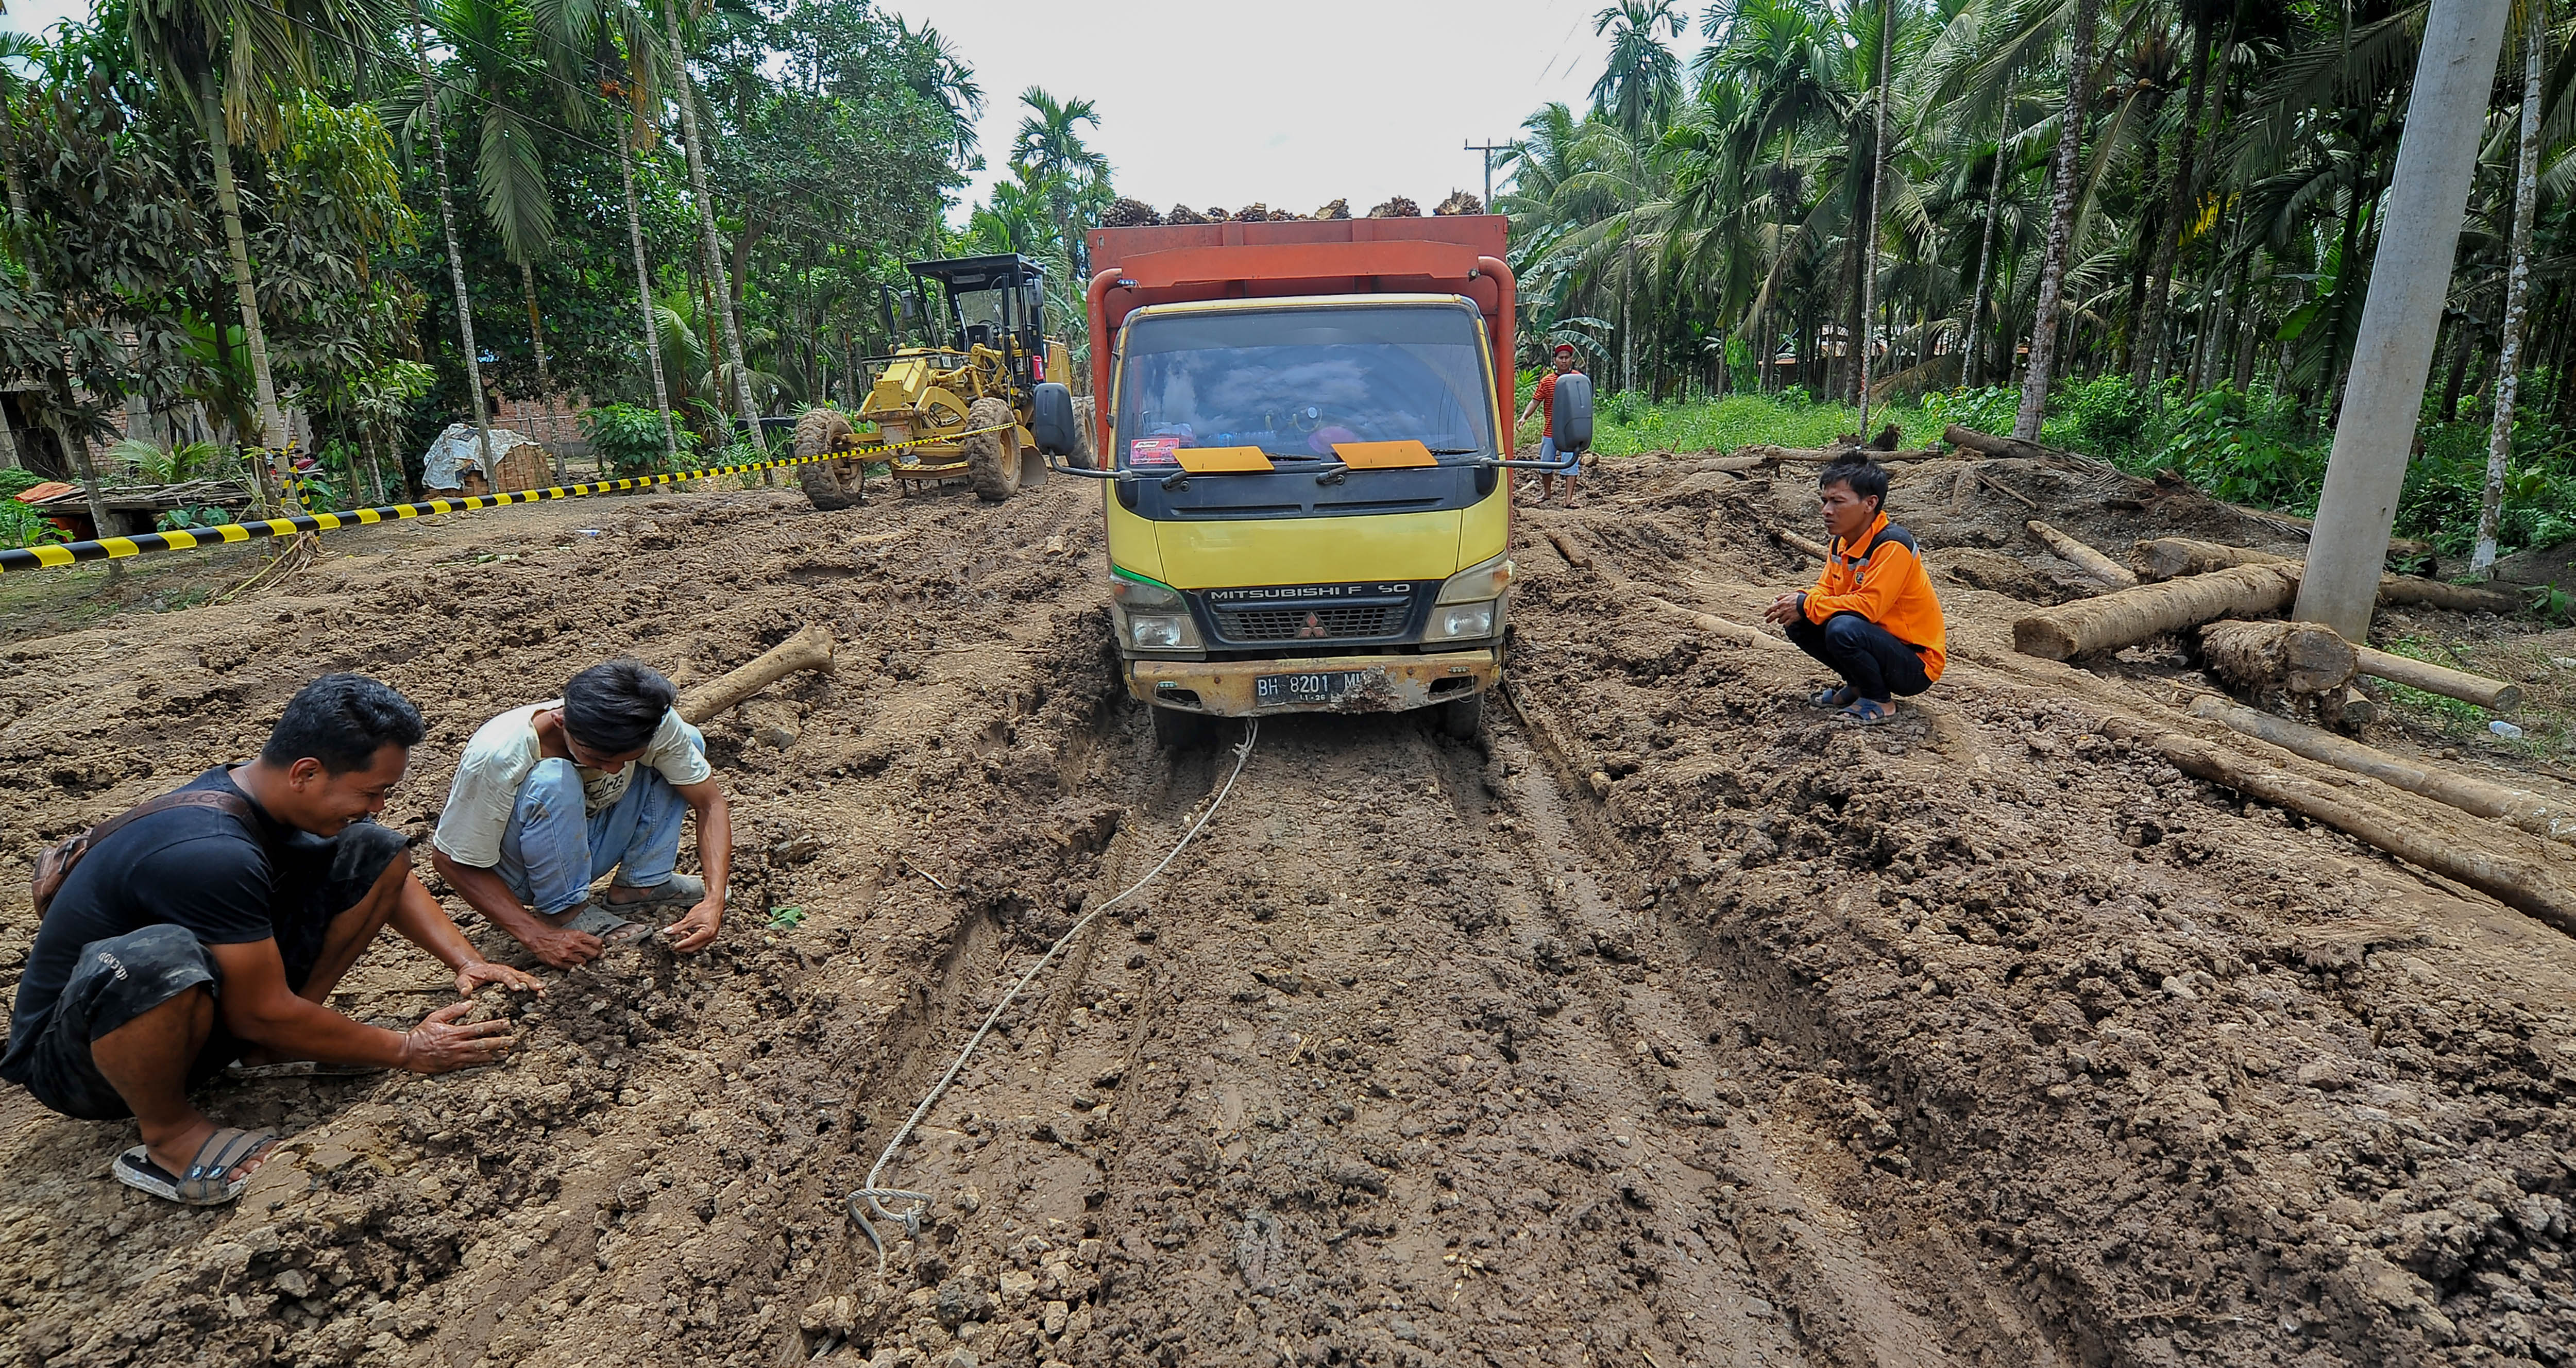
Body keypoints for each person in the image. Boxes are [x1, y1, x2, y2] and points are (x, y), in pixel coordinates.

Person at [1, 674, 537, 1206]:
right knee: (158, 958)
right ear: (307, 772)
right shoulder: (211, 850)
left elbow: (382, 871)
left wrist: (466, 961)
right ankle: (168, 1136)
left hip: (186, 1016)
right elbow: (259, 1010)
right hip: (76, 1062)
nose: (377, 804)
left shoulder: (260, 793)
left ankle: (273, 1047)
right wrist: (407, 1049)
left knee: (371, 847)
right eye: (370, 791)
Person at [430, 660, 731, 968]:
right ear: (561, 721)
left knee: (687, 741)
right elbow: (449, 859)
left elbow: (710, 803)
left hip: (584, 840)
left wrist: (714, 899)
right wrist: (537, 936)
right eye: (598, 758)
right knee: (554, 779)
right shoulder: (499, 755)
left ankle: (643, 883)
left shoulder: (650, 723)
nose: (613, 770)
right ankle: (564, 911)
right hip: (520, 871)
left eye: (628, 759)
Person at [1762, 457, 1946, 724]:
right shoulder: (1841, 543)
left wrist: (1806, 604)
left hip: (1915, 664)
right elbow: (1826, 589)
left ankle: (1878, 699)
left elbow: (1869, 607)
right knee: (1799, 621)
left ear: (1870, 504)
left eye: (1837, 502)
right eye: (1825, 501)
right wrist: (1799, 601)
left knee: (1843, 628)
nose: (1826, 511)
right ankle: (1858, 685)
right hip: (1877, 641)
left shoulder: (1892, 545)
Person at [1515, 342, 1585, 503]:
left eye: (1567, 358)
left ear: (1571, 360)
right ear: (1555, 360)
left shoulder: (1579, 380)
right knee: (1545, 464)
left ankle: (1568, 499)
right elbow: (1535, 401)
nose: (1564, 361)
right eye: (1561, 358)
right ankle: (1547, 493)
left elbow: (1584, 404)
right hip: (1550, 431)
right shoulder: (1547, 381)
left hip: (1571, 431)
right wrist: (1524, 417)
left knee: (1572, 465)